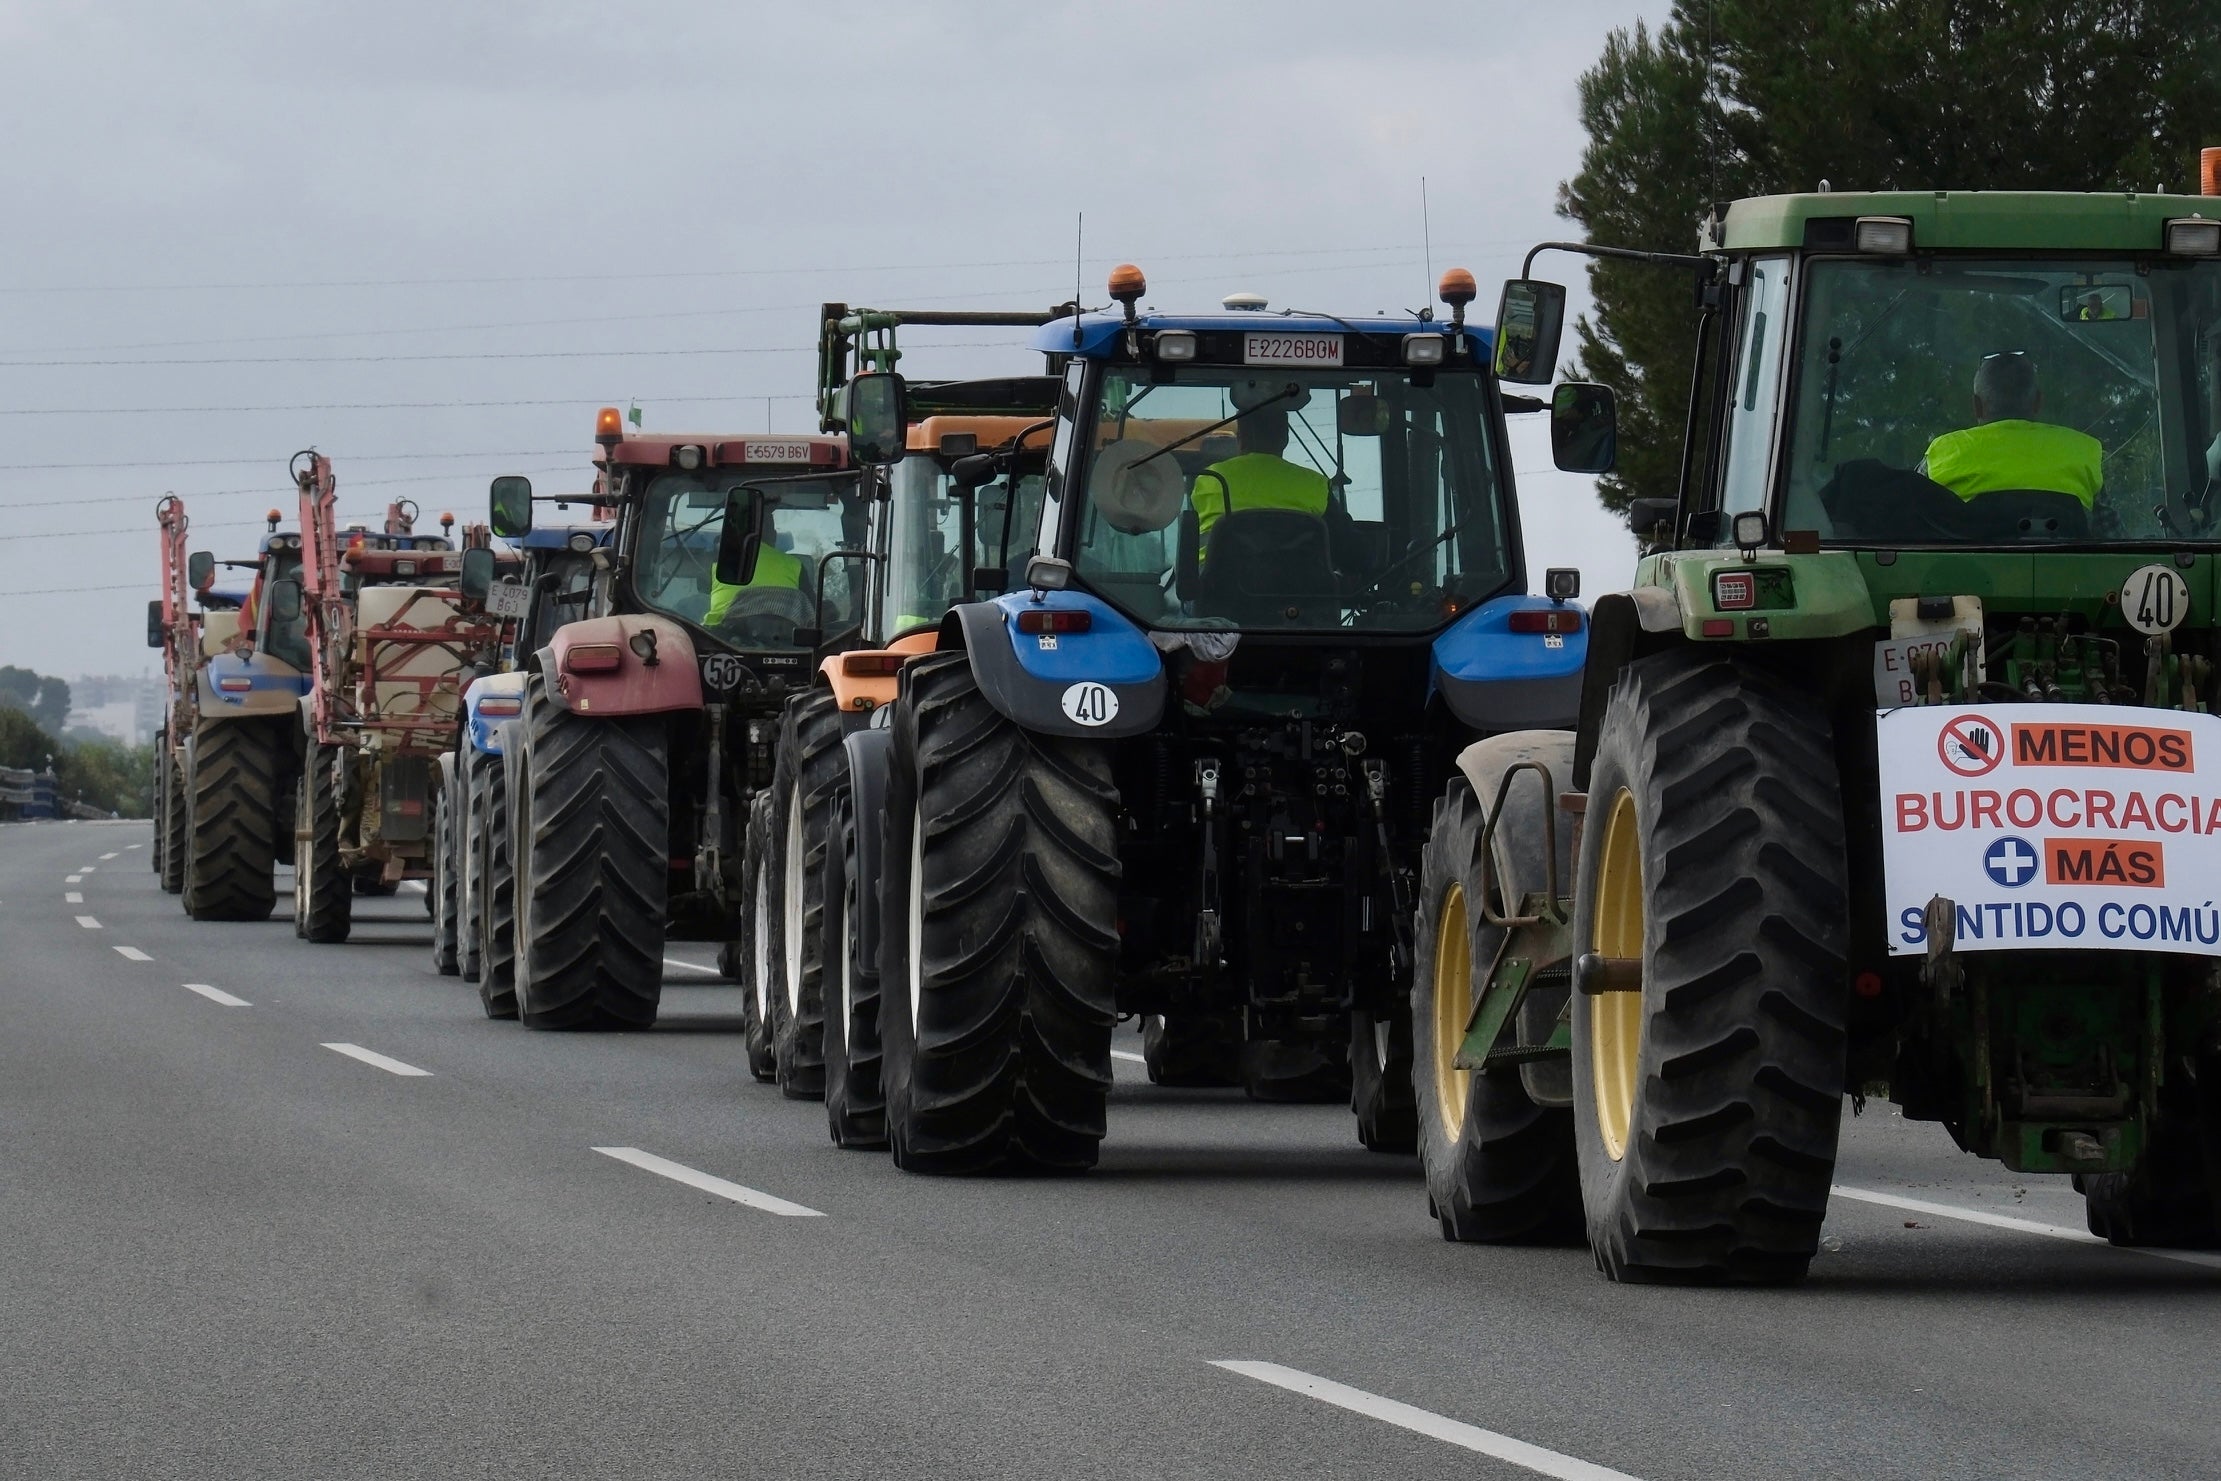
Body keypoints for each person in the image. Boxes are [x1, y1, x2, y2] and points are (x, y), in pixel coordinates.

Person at [1920, 352, 2102, 505]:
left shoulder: (1941, 455)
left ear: (1977, 405)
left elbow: (1908, 519)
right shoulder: (2084, 454)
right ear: (2038, 402)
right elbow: (2112, 534)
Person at [1190, 407, 1331, 540]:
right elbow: (1344, 547)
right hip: (1298, 567)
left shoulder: (1210, 478)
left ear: (1240, 439)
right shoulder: (1316, 484)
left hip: (1219, 566)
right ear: (1285, 438)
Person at [704, 533, 804, 627]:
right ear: (773, 536)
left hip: (718, 638)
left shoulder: (717, 563)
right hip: (784, 640)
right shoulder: (795, 564)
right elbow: (812, 612)